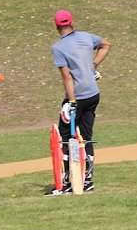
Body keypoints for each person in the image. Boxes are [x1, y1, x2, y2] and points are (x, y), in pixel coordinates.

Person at [46, 10, 111, 195]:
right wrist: (93, 65)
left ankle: (67, 183)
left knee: (66, 140)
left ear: (56, 26)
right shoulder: (86, 37)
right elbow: (106, 45)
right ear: (72, 22)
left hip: (77, 96)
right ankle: (87, 180)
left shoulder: (58, 48)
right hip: (93, 94)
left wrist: (72, 101)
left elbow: (67, 77)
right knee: (86, 137)